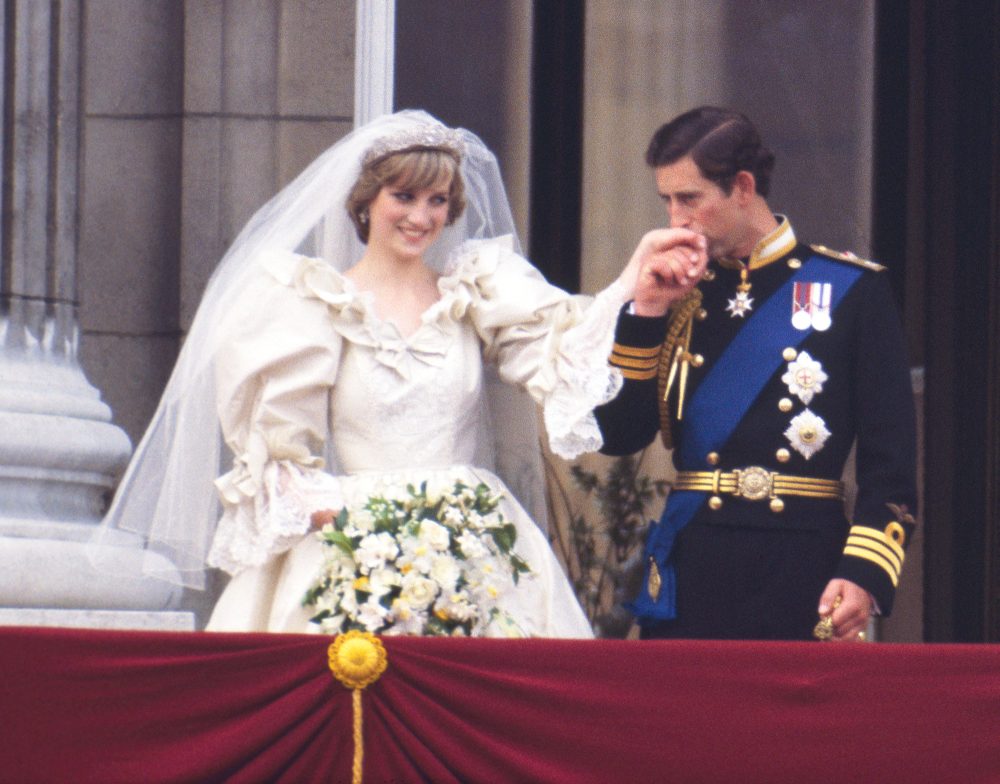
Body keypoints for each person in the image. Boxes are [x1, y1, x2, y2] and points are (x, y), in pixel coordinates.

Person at [95, 110, 704, 638]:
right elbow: (282, 453)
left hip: (477, 541)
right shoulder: (312, 303)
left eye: (437, 200)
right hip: (353, 542)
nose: (422, 216)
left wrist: (631, 286)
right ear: (366, 202)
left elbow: (563, 355)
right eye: (404, 198)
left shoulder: (476, 293)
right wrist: (349, 532)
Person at [595, 106, 918, 641]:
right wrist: (645, 313)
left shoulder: (853, 290)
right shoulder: (672, 293)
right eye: (668, 201)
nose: (675, 220)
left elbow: (892, 463)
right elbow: (617, 436)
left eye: (689, 199)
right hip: (694, 565)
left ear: (742, 187)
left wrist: (862, 573)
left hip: (804, 567)